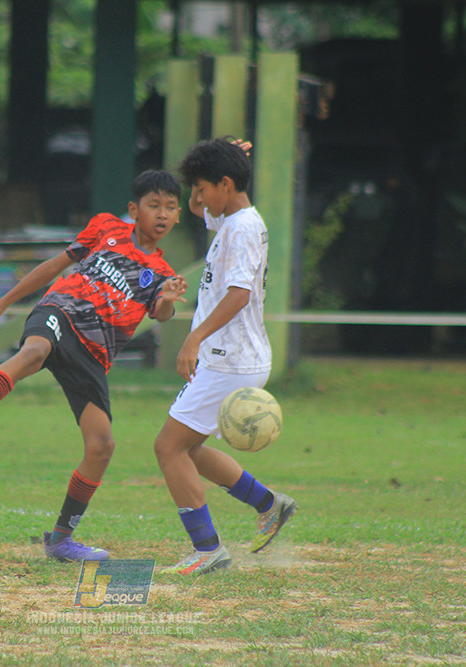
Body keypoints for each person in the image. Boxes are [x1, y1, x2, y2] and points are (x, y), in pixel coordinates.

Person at [0, 170, 188, 562]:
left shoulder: (162, 274)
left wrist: (169, 297)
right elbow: (54, 265)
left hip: (94, 354)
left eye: (171, 208)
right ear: (134, 210)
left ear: (177, 216)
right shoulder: (105, 227)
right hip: (60, 312)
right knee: (33, 352)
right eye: (154, 205)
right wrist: (2, 305)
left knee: (101, 446)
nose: (163, 214)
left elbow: (161, 314)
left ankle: (60, 540)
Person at [154, 138, 297, 575]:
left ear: (226, 184)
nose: (195, 200)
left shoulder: (240, 229)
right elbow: (203, 211)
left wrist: (193, 337)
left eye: (202, 187)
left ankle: (207, 550)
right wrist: (215, 165)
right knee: (188, 447)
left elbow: (238, 295)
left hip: (229, 357)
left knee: (168, 447)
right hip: (232, 355)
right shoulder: (234, 218)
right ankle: (269, 504)